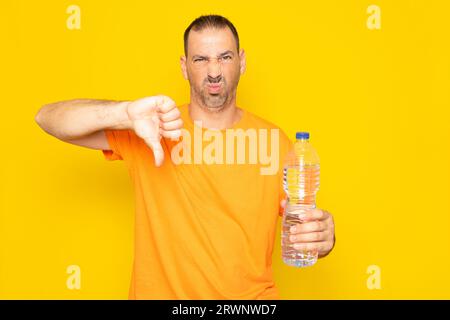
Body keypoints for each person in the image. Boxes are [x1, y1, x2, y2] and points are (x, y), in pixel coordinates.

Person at [35, 14, 335, 299]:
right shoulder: (151, 128)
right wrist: (123, 113)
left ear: (241, 62)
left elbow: (304, 227)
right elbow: (48, 119)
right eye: (201, 59)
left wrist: (323, 238)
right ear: (184, 66)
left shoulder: (275, 142)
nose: (214, 71)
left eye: (225, 57)